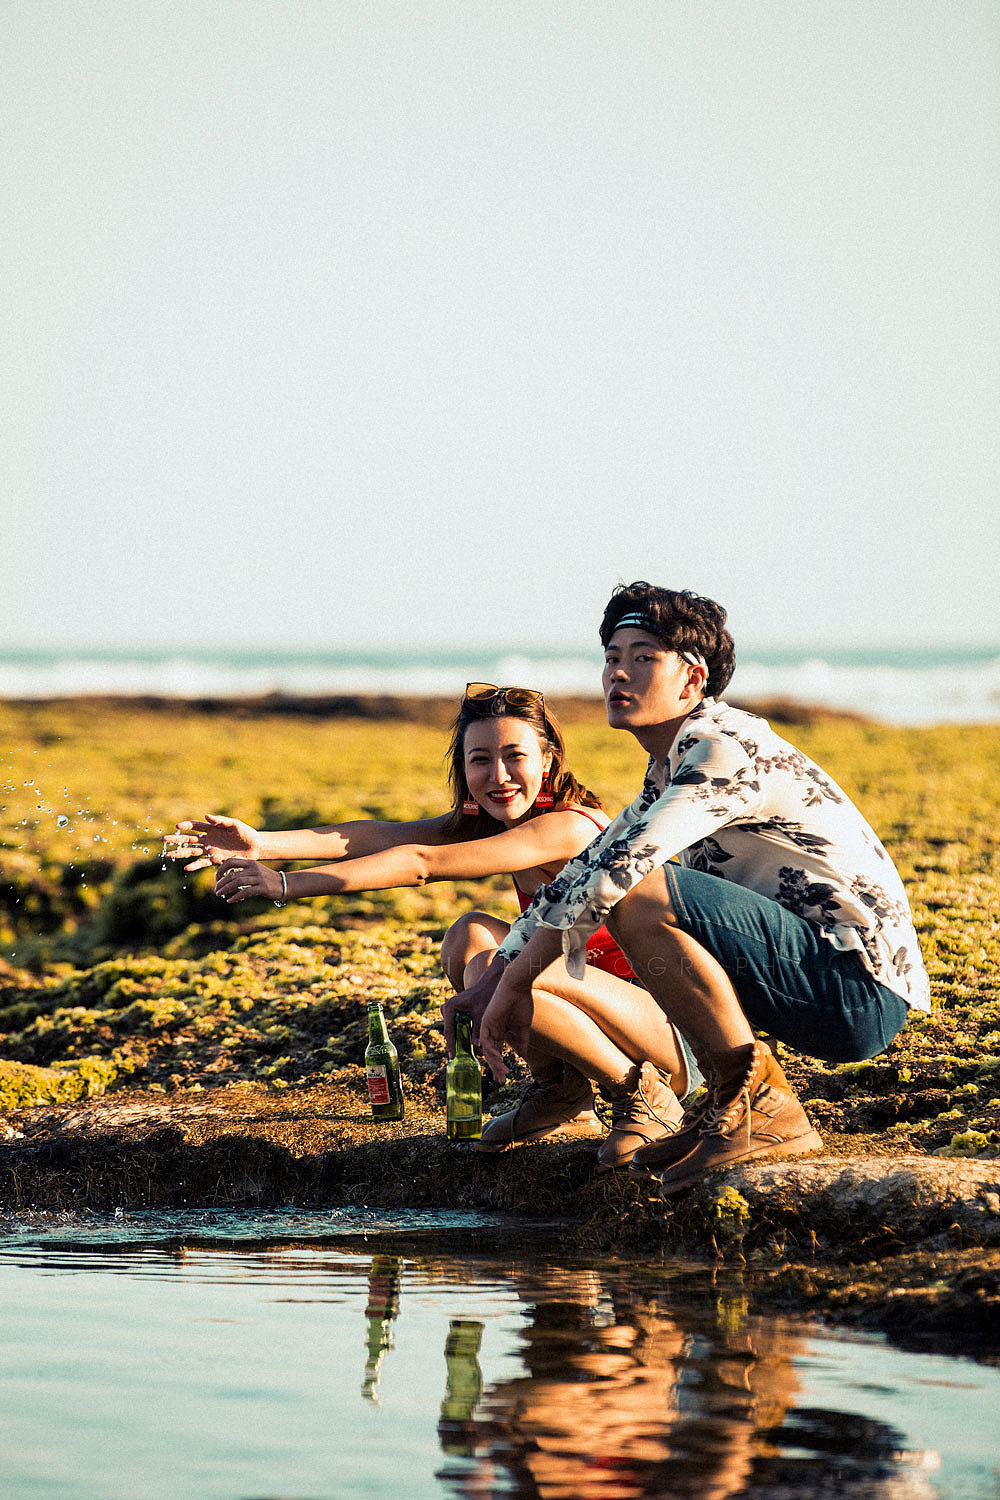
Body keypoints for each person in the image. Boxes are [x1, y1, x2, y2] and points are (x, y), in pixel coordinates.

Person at [454, 585, 931, 1194]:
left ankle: (762, 1108)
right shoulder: (668, 769)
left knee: (638, 889)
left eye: (644, 657)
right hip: (802, 976)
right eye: (611, 656)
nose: (618, 673)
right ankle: (728, 1107)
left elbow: (617, 872)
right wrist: (496, 975)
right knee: (620, 885)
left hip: (852, 988)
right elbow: (585, 868)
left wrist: (514, 982)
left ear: (692, 679)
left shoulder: (720, 749)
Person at [163, 682, 699, 1166]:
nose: (499, 776)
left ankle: (640, 1094)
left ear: (548, 758)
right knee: (470, 935)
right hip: (606, 1015)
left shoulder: (568, 828)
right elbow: (381, 837)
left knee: (521, 958)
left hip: (671, 1033)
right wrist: (267, 843)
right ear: (463, 768)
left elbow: (420, 863)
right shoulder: (494, 824)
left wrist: (284, 884)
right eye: (480, 760)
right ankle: (563, 1094)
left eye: (515, 756)